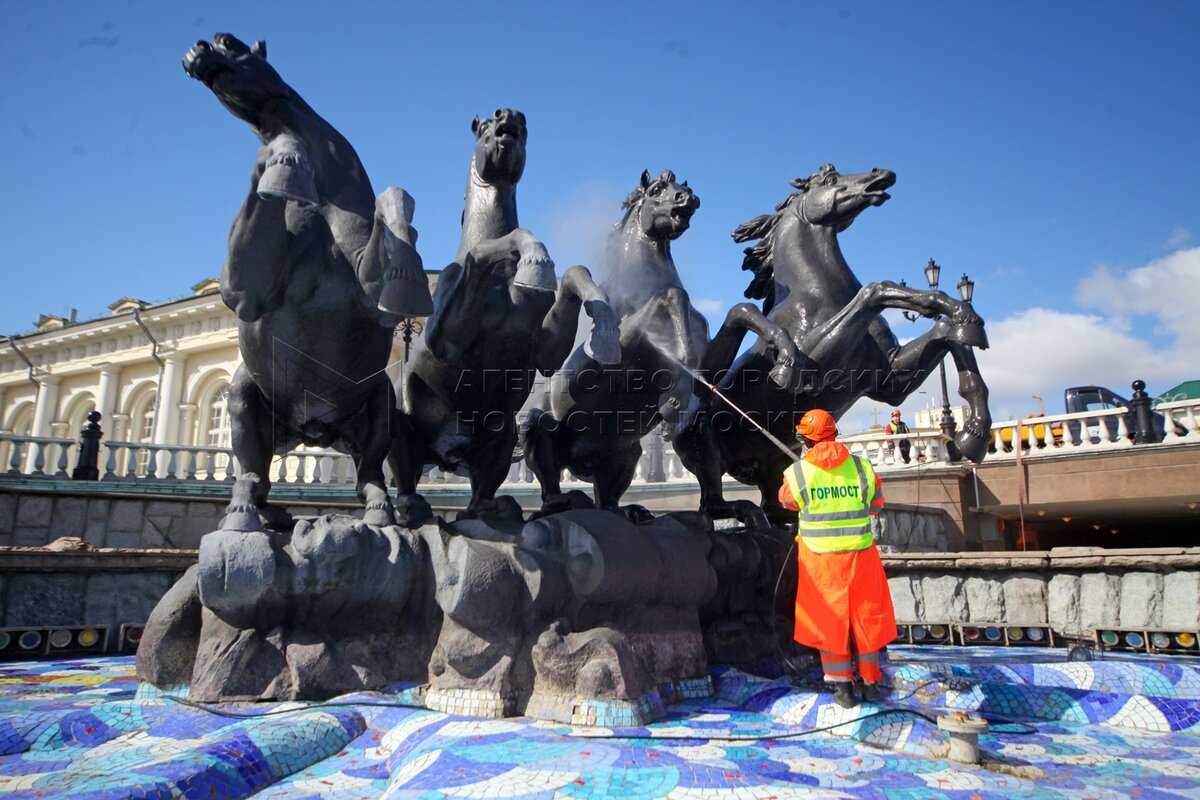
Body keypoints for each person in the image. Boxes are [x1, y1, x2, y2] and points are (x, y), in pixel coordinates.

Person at [778, 408, 896, 709]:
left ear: (805, 440)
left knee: (829, 622)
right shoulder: (861, 468)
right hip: (861, 557)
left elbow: (786, 501)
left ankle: (842, 688)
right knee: (866, 619)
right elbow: (877, 504)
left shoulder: (799, 473)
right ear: (834, 434)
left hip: (821, 562)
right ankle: (871, 683)